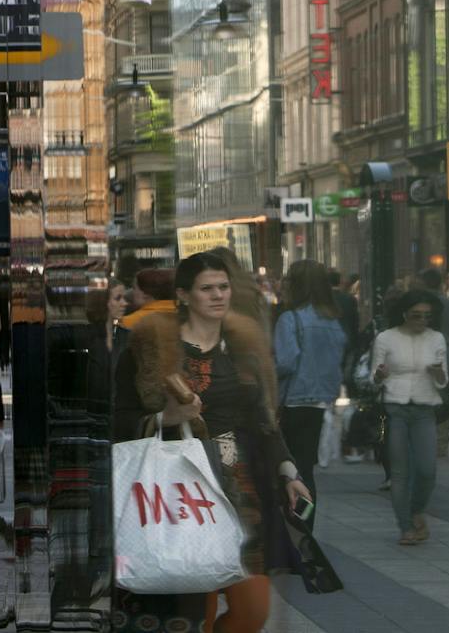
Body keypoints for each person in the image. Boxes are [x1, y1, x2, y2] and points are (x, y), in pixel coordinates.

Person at [115, 252, 312, 633]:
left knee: (253, 610)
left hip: (242, 491)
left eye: (223, 287)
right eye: (207, 289)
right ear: (184, 295)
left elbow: (263, 423)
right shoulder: (148, 349)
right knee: (194, 614)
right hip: (181, 490)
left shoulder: (244, 349)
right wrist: (165, 418)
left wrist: (289, 472)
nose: (219, 295)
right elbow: (117, 418)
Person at [372, 288, 449, 544]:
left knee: (427, 470)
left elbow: (443, 381)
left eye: (427, 316)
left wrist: (438, 372)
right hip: (396, 408)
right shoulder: (386, 338)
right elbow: (374, 378)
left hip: (425, 408)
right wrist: (380, 375)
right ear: (404, 313)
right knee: (400, 472)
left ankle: (417, 510)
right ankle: (405, 526)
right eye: (416, 315)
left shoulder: (436, 338)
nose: (422, 321)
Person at [274, 260, 349, 505]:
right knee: (306, 467)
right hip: (319, 401)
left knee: (287, 468)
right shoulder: (333, 322)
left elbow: (285, 363)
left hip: (292, 400)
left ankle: (292, 528)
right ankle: (306, 527)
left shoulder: (290, 319)